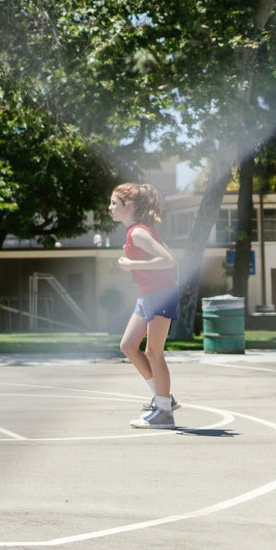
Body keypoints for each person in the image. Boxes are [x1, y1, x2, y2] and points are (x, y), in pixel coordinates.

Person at [110, 182, 180, 429]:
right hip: (148, 295)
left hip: (161, 294)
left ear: (128, 206)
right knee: (128, 346)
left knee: (153, 352)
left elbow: (168, 260)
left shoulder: (138, 232)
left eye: (114, 203)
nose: (110, 208)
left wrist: (133, 265)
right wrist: (127, 263)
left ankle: (164, 414)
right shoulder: (135, 232)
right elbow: (159, 254)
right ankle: (165, 399)